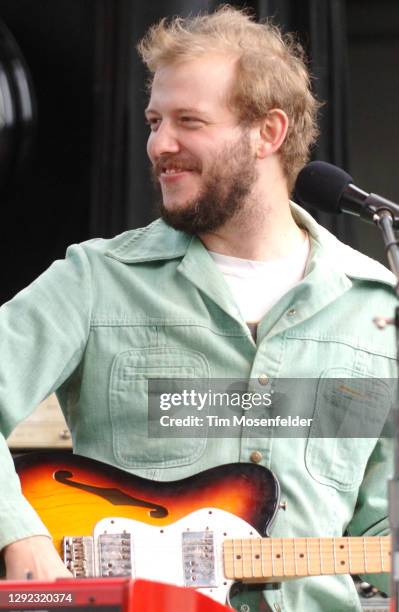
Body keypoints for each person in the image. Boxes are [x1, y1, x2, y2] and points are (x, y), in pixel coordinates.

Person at [0, 6, 396, 611]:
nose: (160, 144)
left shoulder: (373, 305)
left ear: (269, 132)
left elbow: (374, 525)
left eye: (189, 121)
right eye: (154, 120)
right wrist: (20, 533)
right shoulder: (95, 280)